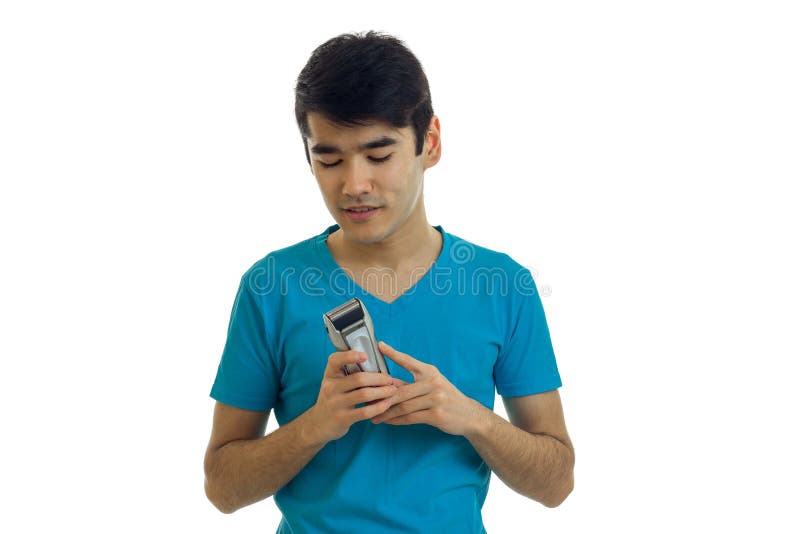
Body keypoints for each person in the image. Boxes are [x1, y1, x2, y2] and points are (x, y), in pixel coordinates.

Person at [204, 31, 574, 533]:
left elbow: (556, 485)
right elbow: (222, 489)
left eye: (379, 155)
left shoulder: (503, 285)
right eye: (329, 159)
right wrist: (318, 424)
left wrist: (472, 419)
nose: (354, 184)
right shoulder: (271, 285)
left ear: (431, 143)